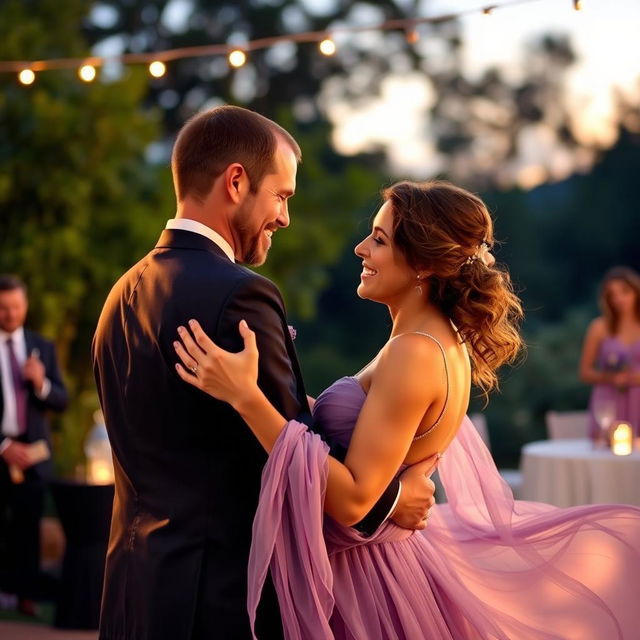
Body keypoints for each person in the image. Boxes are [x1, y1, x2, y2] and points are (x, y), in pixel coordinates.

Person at [175, 181, 640, 639]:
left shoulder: (415, 352)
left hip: (365, 583)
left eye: (378, 240)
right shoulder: (429, 340)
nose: (360, 249)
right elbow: (367, 437)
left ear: (423, 263)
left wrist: (246, 399)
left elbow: (354, 500)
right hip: (380, 564)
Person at [91, 106, 436, 640]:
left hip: (131, 593)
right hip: (221, 601)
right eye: (281, 196)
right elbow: (293, 447)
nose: (284, 217)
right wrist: (391, 500)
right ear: (236, 182)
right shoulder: (240, 294)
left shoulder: (121, 293)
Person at [0, 274, 68, 616]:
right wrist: (2, 446)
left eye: (16, 306)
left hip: (34, 455)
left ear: (24, 306)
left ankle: (25, 598)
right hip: (1, 450)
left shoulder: (43, 347)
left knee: (29, 528)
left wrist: (41, 383)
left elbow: (62, 400)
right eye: (4, 308)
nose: (11, 314)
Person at [580, 266, 640, 440]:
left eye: (624, 291)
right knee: (606, 450)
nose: (618, 299)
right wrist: (611, 378)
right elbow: (585, 372)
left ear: (636, 291)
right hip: (608, 403)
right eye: (612, 294)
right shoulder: (599, 327)